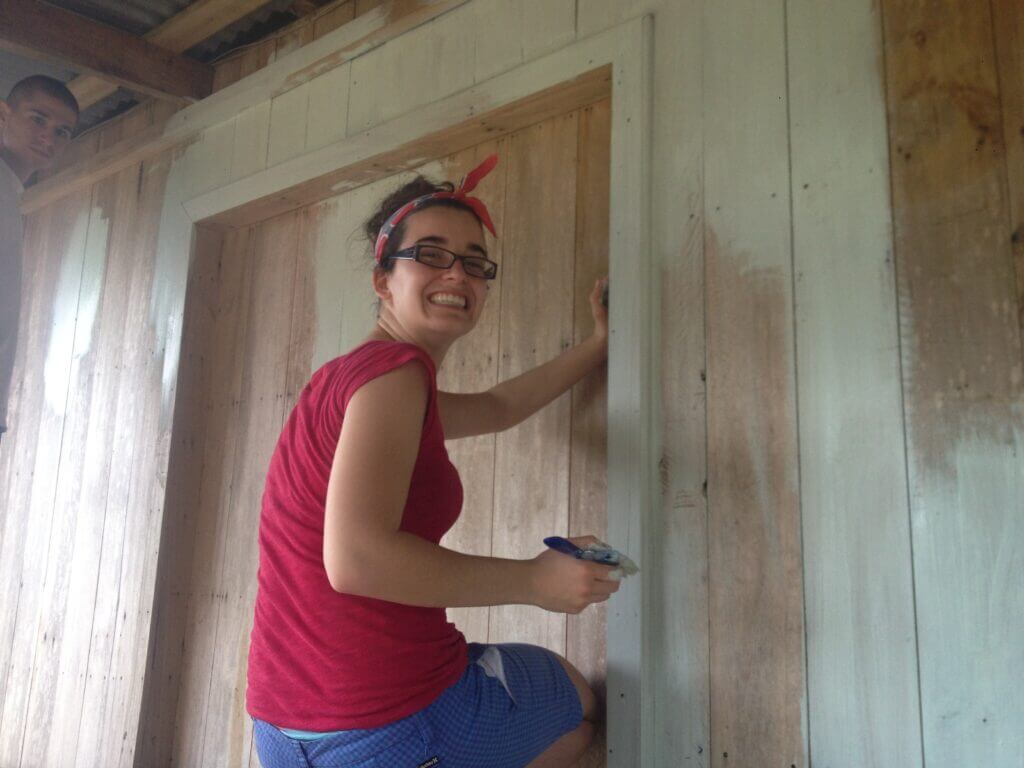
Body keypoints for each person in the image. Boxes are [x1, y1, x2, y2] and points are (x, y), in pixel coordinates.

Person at [247, 154, 617, 768]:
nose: (459, 273)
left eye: (475, 262)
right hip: (382, 722)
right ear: (382, 280)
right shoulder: (392, 377)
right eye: (432, 253)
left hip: (284, 728)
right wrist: (534, 579)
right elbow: (358, 560)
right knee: (577, 714)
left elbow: (497, 407)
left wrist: (597, 347)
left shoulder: (350, 379)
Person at [0, 75, 79, 444]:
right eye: (37, 119)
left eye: (62, 131)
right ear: (3, 115)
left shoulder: (10, 196)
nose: (50, 137)